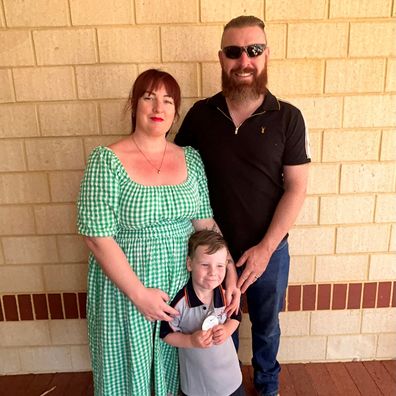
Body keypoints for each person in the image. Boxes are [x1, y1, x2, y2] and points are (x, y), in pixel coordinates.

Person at [77, 69, 239, 396]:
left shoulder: (190, 159)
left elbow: (205, 224)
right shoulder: (106, 160)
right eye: (149, 97)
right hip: (125, 291)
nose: (158, 107)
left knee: (175, 363)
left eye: (168, 100)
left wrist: (230, 272)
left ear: (175, 113)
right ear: (134, 105)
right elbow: (96, 236)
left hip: (180, 286)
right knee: (127, 370)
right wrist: (139, 294)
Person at [175, 16, 310, 396]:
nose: (244, 60)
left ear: (266, 55)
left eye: (254, 50)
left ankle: (268, 387)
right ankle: (226, 387)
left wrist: (266, 249)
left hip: (270, 249)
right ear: (222, 58)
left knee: (266, 326)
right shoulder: (201, 115)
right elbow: (178, 174)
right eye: (234, 52)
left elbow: (296, 188)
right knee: (218, 325)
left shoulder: (288, 117)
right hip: (213, 254)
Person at [160, 230, 245, 396]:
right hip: (197, 385)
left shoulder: (225, 293)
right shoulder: (180, 302)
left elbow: (236, 316)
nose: (213, 272)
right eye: (205, 265)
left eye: (220, 266)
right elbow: (166, 334)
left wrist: (227, 330)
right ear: (190, 264)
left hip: (231, 380)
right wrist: (190, 340)